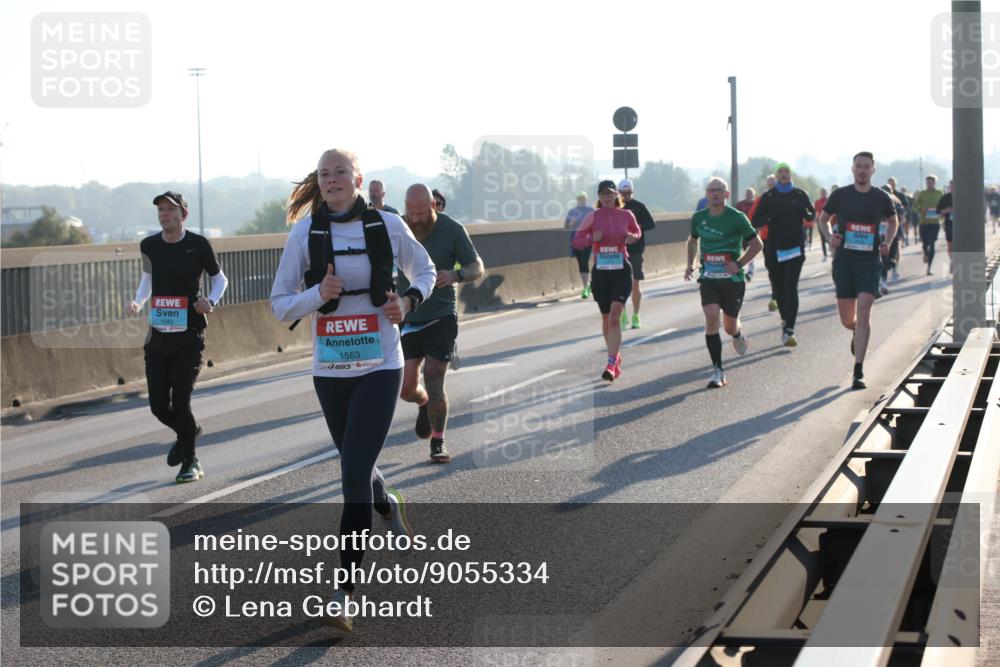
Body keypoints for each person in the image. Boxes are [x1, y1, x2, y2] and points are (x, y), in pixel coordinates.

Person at [269, 148, 436, 632]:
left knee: (352, 472)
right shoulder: (305, 233)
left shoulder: (386, 225)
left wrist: (407, 299)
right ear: (318, 183)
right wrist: (317, 295)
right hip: (331, 368)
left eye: (341, 172)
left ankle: (344, 593)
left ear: (358, 178)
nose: (333, 180)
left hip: (381, 362)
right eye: (325, 174)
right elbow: (280, 306)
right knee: (355, 464)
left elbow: (424, 272)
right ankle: (387, 502)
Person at [125, 191, 229, 483]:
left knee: (181, 401)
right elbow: (147, 280)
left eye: (170, 210)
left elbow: (220, 279)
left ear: (184, 214)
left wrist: (210, 300)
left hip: (189, 334)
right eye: (160, 210)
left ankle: (191, 460)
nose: (164, 214)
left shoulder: (198, 245)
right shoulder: (149, 245)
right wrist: (137, 301)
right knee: (159, 405)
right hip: (158, 335)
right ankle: (189, 432)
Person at [397, 184, 484, 464]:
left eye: (421, 213)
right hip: (409, 317)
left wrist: (456, 274)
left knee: (434, 375)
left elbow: (476, 266)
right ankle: (422, 403)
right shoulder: (398, 228)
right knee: (406, 389)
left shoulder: (452, 229)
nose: (415, 220)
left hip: (442, 315)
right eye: (410, 213)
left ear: (433, 206)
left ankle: (438, 440)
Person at [817, 152, 898, 390]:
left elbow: (893, 221)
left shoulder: (881, 197)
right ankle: (855, 332)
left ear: (873, 170)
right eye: (859, 166)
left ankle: (858, 371)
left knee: (864, 311)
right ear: (853, 169)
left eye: (867, 167)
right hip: (844, 261)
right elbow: (823, 219)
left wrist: (888, 242)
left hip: (869, 262)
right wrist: (830, 236)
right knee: (847, 319)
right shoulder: (841, 195)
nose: (862, 170)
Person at [684, 177, 762, 388]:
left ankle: (737, 333)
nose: (715, 193)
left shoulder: (737, 218)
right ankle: (718, 370)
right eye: (711, 190)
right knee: (711, 318)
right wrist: (690, 264)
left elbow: (757, 244)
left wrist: (738, 264)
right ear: (706, 194)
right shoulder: (698, 218)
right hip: (708, 278)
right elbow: (692, 240)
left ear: (726, 194)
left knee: (729, 326)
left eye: (719, 190)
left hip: (732, 280)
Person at [571, 180, 641, 381]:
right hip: (601, 272)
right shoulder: (592, 217)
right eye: (603, 195)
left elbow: (637, 232)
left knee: (615, 315)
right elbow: (576, 241)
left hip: (620, 269)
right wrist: (592, 239)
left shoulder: (626, 215)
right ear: (599, 198)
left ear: (616, 195)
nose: (607, 198)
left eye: (610, 194)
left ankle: (610, 363)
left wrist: (631, 237)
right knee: (605, 318)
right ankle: (615, 355)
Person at [751, 163, 815, 346]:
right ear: (777, 176)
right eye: (781, 172)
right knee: (778, 288)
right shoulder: (769, 197)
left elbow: (811, 212)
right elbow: (756, 219)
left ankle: (790, 329)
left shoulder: (800, 194)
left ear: (790, 174)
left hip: (795, 247)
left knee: (791, 286)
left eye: (786, 171)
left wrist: (809, 215)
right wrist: (770, 218)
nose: (784, 174)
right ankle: (785, 320)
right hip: (774, 248)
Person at [619, 178, 656, 329]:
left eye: (628, 193)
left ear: (632, 192)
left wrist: (637, 227)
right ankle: (623, 316)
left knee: (635, 283)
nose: (625, 196)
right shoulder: (615, 208)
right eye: (623, 193)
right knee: (619, 285)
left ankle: (635, 315)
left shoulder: (639, 207)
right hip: (618, 250)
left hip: (635, 250)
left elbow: (651, 223)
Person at [747, 174, 778, 310]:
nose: (772, 187)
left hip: (787, 240)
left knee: (786, 270)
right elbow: (751, 217)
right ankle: (775, 295)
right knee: (772, 268)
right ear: (767, 185)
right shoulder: (762, 198)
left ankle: (779, 295)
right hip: (767, 238)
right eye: (770, 185)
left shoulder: (787, 196)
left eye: (774, 184)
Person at [565, 191, 595, 298]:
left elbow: (596, 224)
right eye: (579, 198)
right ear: (577, 200)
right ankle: (586, 286)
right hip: (576, 241)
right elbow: (566, 226)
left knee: (584, 261)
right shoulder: (572, 211)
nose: (581, 200)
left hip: (588, 241)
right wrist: (570, 223)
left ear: (586, 199)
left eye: (582, 198)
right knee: (581, 263)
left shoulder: (590, 211)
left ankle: (586, 287)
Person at [912, 175, 943, 275]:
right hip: (924, 223)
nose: (929, 184)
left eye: (931, 182)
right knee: (925, 244)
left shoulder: (939, 193)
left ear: (934, 183)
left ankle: (929, 268)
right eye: (927, 182)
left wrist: (941, 211)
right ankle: (925, 253)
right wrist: (921, 209)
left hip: (935, 223)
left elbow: (943, 205)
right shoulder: (922, 194)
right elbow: (914, 207)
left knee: (932, 244)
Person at [878, 185, 905, 292]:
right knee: (883, 258)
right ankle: (883, 282)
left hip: (892, 233)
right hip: (880, 234)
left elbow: (901, 219)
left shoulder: (897, 203)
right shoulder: (877, 202)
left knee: (890, 258)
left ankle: (893, 266)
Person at [887, 177, 910, 247]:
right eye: (889, 183)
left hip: (898, 219)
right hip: (886, 220)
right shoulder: (883, 194)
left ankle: (903, 239)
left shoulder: (900, 195)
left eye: (892, 183)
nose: (891, 185)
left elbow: (906, 205)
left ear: (895, 184)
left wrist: (902, 213)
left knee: (897, 240)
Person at [937, 180, 955, 273]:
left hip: (963, 225)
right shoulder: (945, 198)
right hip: (949, 224)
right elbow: (938, 210)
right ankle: (952, 261)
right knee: (950, 245)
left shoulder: (964, 196)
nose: (953, 188)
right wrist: (945, 210)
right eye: (951, 186)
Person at [813, 188, 830, 260]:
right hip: (820, 222)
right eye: (822, 192)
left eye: (824, 192)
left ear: (826, 193)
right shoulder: (817, 202)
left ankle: (832, 251)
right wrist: (815, 220)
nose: (823, 193)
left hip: (829, 222)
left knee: (829, 237)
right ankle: (825, 255)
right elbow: (816, 213)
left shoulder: (829, 200)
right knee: (823, 239)